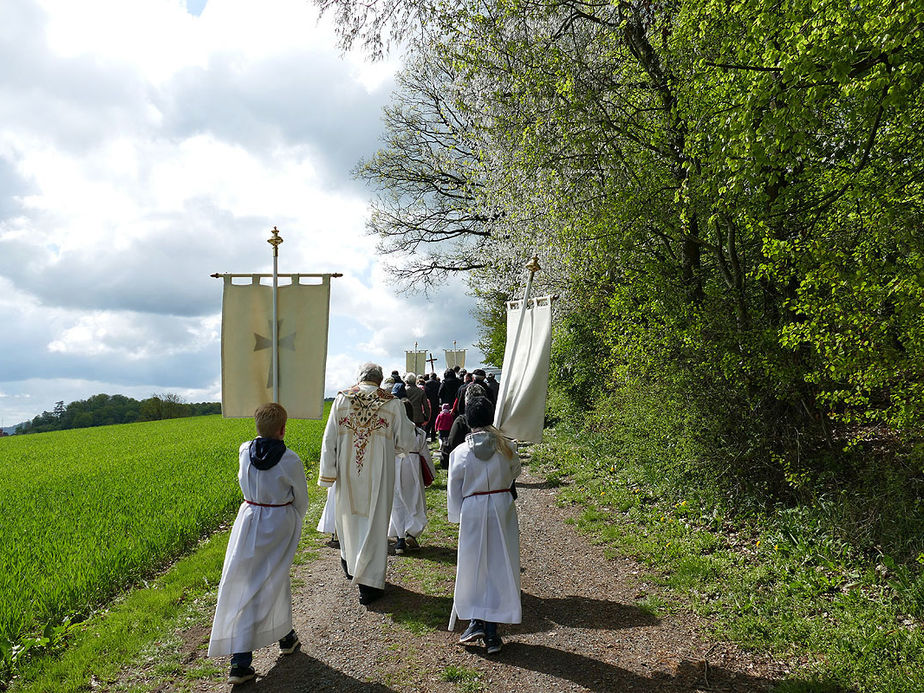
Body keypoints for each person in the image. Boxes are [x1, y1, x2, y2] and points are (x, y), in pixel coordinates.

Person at [208, 402, 309, 685]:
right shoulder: (290, 459)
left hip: (249, 517)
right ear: (283, 429)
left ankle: (265, 646)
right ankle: (257, 653)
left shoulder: (243, 450)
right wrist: (293, 518)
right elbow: (300, 497)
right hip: (278, 520)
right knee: (272, 581)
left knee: (246, 581)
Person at [318, 363, 416, 605]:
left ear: (359, 378)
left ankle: (350, 564)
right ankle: (369, 585)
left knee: (349, 519)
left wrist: (328, 473)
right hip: (378, 473)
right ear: (380, 380)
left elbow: (329, 439)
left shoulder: (342, 400)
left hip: (347, 472)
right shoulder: (391, 403)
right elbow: (405, 442)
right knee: (374, 523)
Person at [447, 397, 521, 655]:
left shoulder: (460, 453)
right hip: (501, 508)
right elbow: (514, 473)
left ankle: (477, 620)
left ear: (467, 421)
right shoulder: (508, 447)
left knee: (473, 564)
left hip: (474, 510)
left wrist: (457, 514)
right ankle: (490, 632)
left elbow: (454, 487)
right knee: (499, 564)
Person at [389, 421, 435, 553]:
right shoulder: (419, 433)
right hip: (413, 467)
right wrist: (431, 473)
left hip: (395, 465)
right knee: (415, 502)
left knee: (397, 504)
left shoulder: (392, 432)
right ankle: (412, 532)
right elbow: (425, 455)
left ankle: (400, 539)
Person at [424, 373, 441, 441]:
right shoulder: (438, 384)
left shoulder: (426, 383)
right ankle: (433, 437)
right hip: (436, 403)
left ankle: (425, 435)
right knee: (434, 420)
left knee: (428, 420)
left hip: (428, 404)